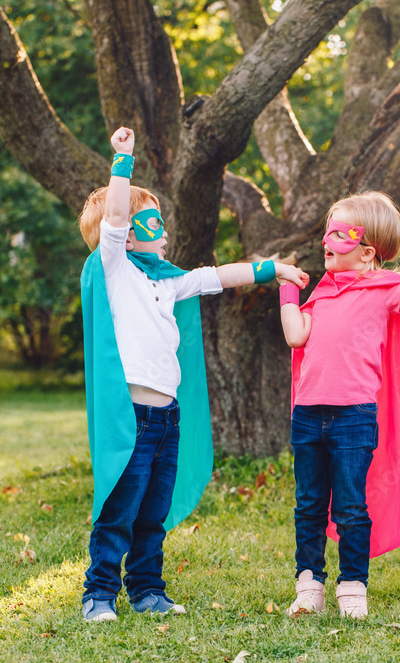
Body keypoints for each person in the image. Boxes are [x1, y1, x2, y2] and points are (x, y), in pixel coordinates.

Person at [78, 127, 308, 622]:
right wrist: (122, 160)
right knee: (118, 511)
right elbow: (115, 218)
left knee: (152, 515)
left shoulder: (169, 281)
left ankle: (147, 591)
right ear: (128, 233)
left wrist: (275, 270)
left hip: (167, 420)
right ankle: (98, 594)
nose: (162, 229)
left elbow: (218, 276)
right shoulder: (115, 268)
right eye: (152, 221)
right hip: (132, 420)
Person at [278, 191, 400, 619]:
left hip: (353, 417)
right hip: (307, 415)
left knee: (349, 506)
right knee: (308, 503)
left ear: (366, 253)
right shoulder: (321, 294)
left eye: (339, 234)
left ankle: (352, 588)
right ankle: (309, 586)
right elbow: (295, 337)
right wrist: (289, 294)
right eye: (327, 233)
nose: (326, 241)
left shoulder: (386, 289)